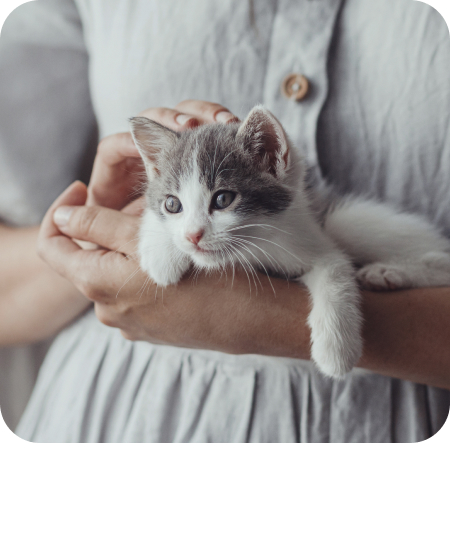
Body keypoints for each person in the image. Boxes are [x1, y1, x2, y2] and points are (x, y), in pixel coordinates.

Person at [1, 0, 449, 442]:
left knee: (350, 226)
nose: (194, 233)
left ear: (273, 158)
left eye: (222, 200)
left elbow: (324, 264)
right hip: (119, 414)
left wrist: (271, 321)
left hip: (380, 416)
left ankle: (431, 265)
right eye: (176, 208)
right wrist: (93, 240)